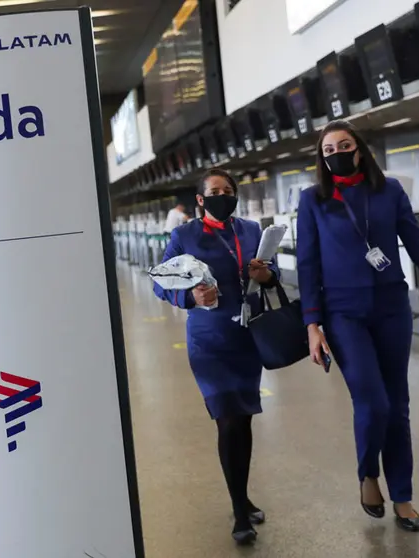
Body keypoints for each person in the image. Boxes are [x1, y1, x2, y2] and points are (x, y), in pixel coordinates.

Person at [295, 120, 419, 533]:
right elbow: (308, 266)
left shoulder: (389, 191)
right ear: (322, 159)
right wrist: (313, 325)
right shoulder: (313, 201)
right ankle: (367, 473)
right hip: (343, 313)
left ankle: (403, 496)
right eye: (329, 149)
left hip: (391, 309)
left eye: (344, 145)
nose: (337, 153)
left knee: (397, 407)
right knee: (372, 401)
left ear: (359, 149)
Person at [153, 169, 279, 546]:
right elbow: (161, 280)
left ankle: (242, 496)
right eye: (214, 191)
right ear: (200, 200)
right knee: (227, 421)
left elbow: (268, 273)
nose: (222, 195)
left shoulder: (251, 230)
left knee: (244, 419)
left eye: (228, 190)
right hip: (210, 340)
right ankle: (240, 512)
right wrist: (190, 298)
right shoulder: (185, 235)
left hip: (248, 336)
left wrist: (267, 275)